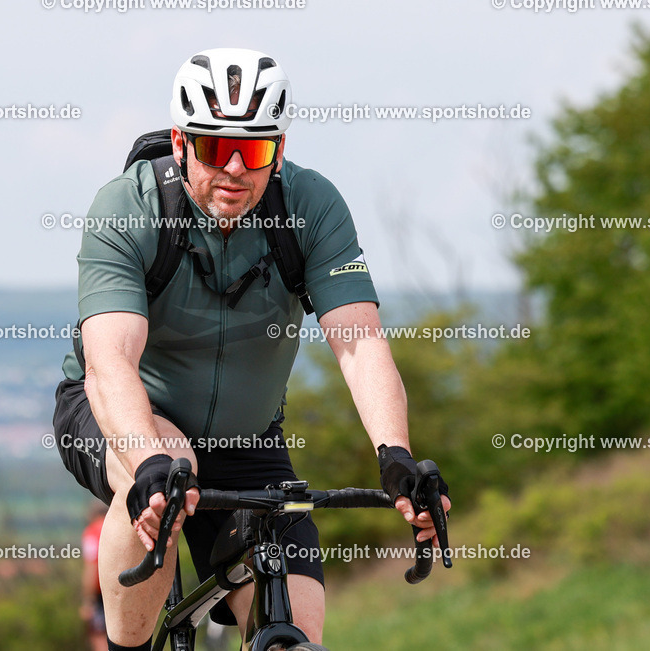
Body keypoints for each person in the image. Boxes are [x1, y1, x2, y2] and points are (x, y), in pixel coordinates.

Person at [52, 48, 451, 651]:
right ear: (182, 142)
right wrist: (148, 458)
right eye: (216, 148)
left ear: (279, 151)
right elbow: (110, 363)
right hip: (113, 415)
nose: (235, 169)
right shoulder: (128, 208)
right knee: (169, 465)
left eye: (256, 149)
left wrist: (395, 453)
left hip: (248, 437)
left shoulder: (310, 208)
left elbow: (360, 341)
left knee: (298, 631)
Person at [81, 501, 108, 651]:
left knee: (98, 636)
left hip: (101, 592)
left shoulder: (91, 532)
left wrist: (88, 601)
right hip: (127, 586)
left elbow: (91, 567)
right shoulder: (120, 529)